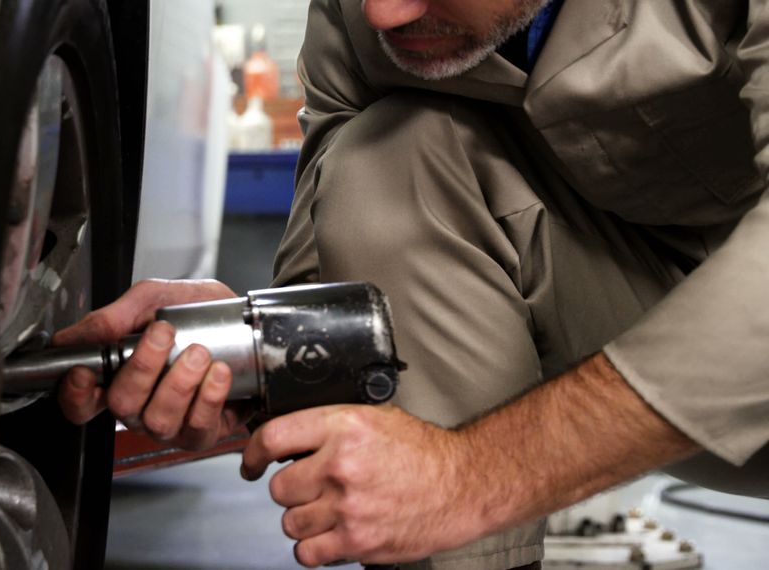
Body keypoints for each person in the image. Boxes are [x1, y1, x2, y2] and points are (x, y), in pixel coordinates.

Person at [57, 0, 769, 568]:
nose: (381, 14)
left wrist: (473, 476)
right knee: (393, 155)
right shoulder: (365, 12)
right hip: (643, 305)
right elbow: (342, 220)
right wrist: (264, 357)